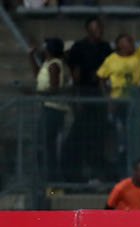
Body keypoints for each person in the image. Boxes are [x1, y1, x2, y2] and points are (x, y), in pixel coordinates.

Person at [97, 21, 140, 160]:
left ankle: (132, 160)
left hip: (133, 102)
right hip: (118, 102)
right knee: (118, 133)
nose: (132, 44)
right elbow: (101, 77)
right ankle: (119, 160)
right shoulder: (111, 60)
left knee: (133, 134)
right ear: (120, 45)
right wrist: (107, 97)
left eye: (132, 41)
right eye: (128, 41)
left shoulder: (137, 56)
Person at [65, 15, 112, 181]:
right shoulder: (79, 47)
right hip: (84, 95)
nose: (98, 31)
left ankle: (97, 174)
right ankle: (77, 175)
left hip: (99, 95)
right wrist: (76, 98)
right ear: (88, 30)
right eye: (94, 28)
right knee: (80, 138)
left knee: (99, 138)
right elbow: (75, 74)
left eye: (100, 28)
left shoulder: (105, 47)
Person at [29, 37, 69, 182]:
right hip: (47, 107)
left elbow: (54, 89)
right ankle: (46, 178)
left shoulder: (54, 65)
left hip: (54, 109)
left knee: (46, 145)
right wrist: (31, 56)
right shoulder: (47, 64)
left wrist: (34, 93)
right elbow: (37, 75)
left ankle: (51, 180)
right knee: (43, 144)